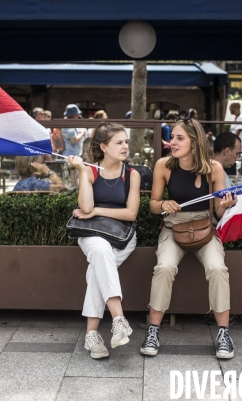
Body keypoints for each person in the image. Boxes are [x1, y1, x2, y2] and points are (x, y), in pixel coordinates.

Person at [141, 118, 238, 359]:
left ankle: (224, 333)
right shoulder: (164, 165)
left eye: (179, 138)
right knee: (164, 267)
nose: (172, 142)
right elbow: (153, 205)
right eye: (172, 137)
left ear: (194, 143)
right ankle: (153, 330)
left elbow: (217, 212)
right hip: (174, 226)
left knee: (217, 268)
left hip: (205, 226)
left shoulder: (214, 168)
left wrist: (226, 206)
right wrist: (163, 203)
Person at [67, 121, 141, 359]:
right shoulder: (90, 171)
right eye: (119, 142)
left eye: (126, 142)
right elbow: (85, 206)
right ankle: (118, 318)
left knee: (96, 270)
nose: (125, 147)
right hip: (92, 234)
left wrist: (97, 211)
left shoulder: (132, 174)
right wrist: (80, 172)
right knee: (99, 250)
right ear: (104, 147)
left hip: (122, 236)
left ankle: (92, 335)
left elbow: (130, 214)